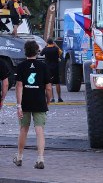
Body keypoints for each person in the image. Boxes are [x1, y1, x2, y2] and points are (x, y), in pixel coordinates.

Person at [14, 39, 52, 169]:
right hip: (39, 101)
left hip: (25, 102)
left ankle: (19, 157)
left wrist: (19, 105)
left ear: (25, 51)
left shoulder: (21, 66)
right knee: (39, 130)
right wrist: (48, 100)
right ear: (37, 51)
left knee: (23, 129)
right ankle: (40, 158)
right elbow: (48, 87)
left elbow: (19, 86)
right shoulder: (43, 66)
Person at [40, 38, 63, 103]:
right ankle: (59, 97)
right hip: (56, 67)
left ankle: (52, 98)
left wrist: (45, 47)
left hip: (48, 68)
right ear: (53, 42)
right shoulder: (56, 49)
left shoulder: (45, 49)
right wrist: (56, 45)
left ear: (47, 43)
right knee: (57, 82)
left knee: (50, 83)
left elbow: (41, 53)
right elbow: (61, 52)